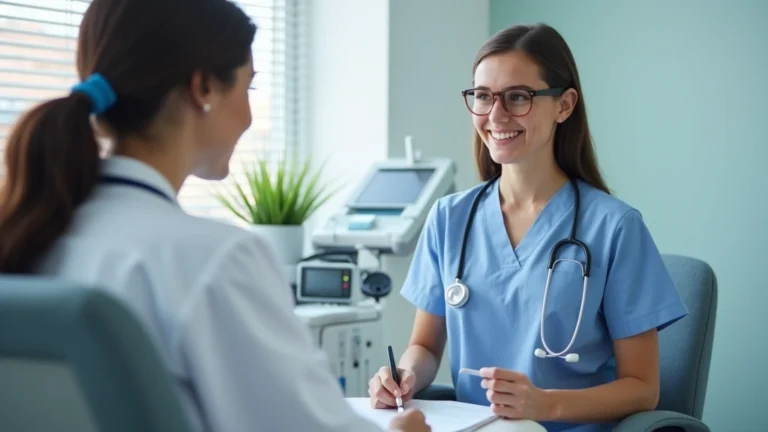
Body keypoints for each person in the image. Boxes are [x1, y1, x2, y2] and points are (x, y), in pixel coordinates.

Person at [0, 1, 431, 431]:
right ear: (203, 87)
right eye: (249, 88)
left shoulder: (28, 234)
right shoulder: (214, 259)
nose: (248, 114)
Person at [368, 23, 689, 432]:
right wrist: (405, 375)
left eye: (518, 97)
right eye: (483, 97)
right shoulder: (449, 219)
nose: (495, 115)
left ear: (564, 105)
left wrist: (544, 404)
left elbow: (643, 389)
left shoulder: (615, 227)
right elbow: (425, 347)